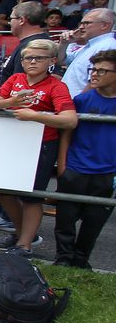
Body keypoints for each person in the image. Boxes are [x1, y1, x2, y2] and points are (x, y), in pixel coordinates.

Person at [0, 39, 78, 255]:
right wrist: (11, 102)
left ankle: (24, 245)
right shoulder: (16, 79)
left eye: (39, 58)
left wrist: (35, 116)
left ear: (52, 61)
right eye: (28, 58)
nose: (32, 62)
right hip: (11, 143)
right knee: (1, 190)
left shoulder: (57, 86)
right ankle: (22, 233)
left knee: (32, 196)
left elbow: (70, 120)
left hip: (42, 145)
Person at [54, 49, 116, 268]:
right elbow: (67, 133)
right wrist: (62, 163)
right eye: (93, 69)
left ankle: (81, 259)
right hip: (76, 167)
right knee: (65, 217)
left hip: (107, 172)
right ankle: (63, 257)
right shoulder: (82, 100)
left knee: (94, 219)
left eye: (102, 70)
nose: (95, 74)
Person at [60, 9, 116, 97]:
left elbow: (96, 82)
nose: (81, 27)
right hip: (69, 102)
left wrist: (79, 102)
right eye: (81, 23)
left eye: (87, 23)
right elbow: (61, 61)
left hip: (77, 105)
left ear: (105, 25)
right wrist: (64, 43)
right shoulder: (91, 45)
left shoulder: (107, 46)